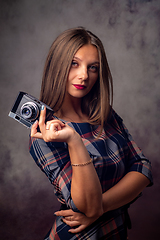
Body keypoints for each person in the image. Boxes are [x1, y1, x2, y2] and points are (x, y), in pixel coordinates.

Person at [29, 27, 153, 240]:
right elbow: (85, 205)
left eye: (93, 67)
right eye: (74, 64)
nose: (84, 75)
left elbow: (143, 168)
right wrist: (73, 140)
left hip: (115, 230)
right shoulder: (47, 133)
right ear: (57, 66)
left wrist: (100, 207)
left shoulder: (104, 114)